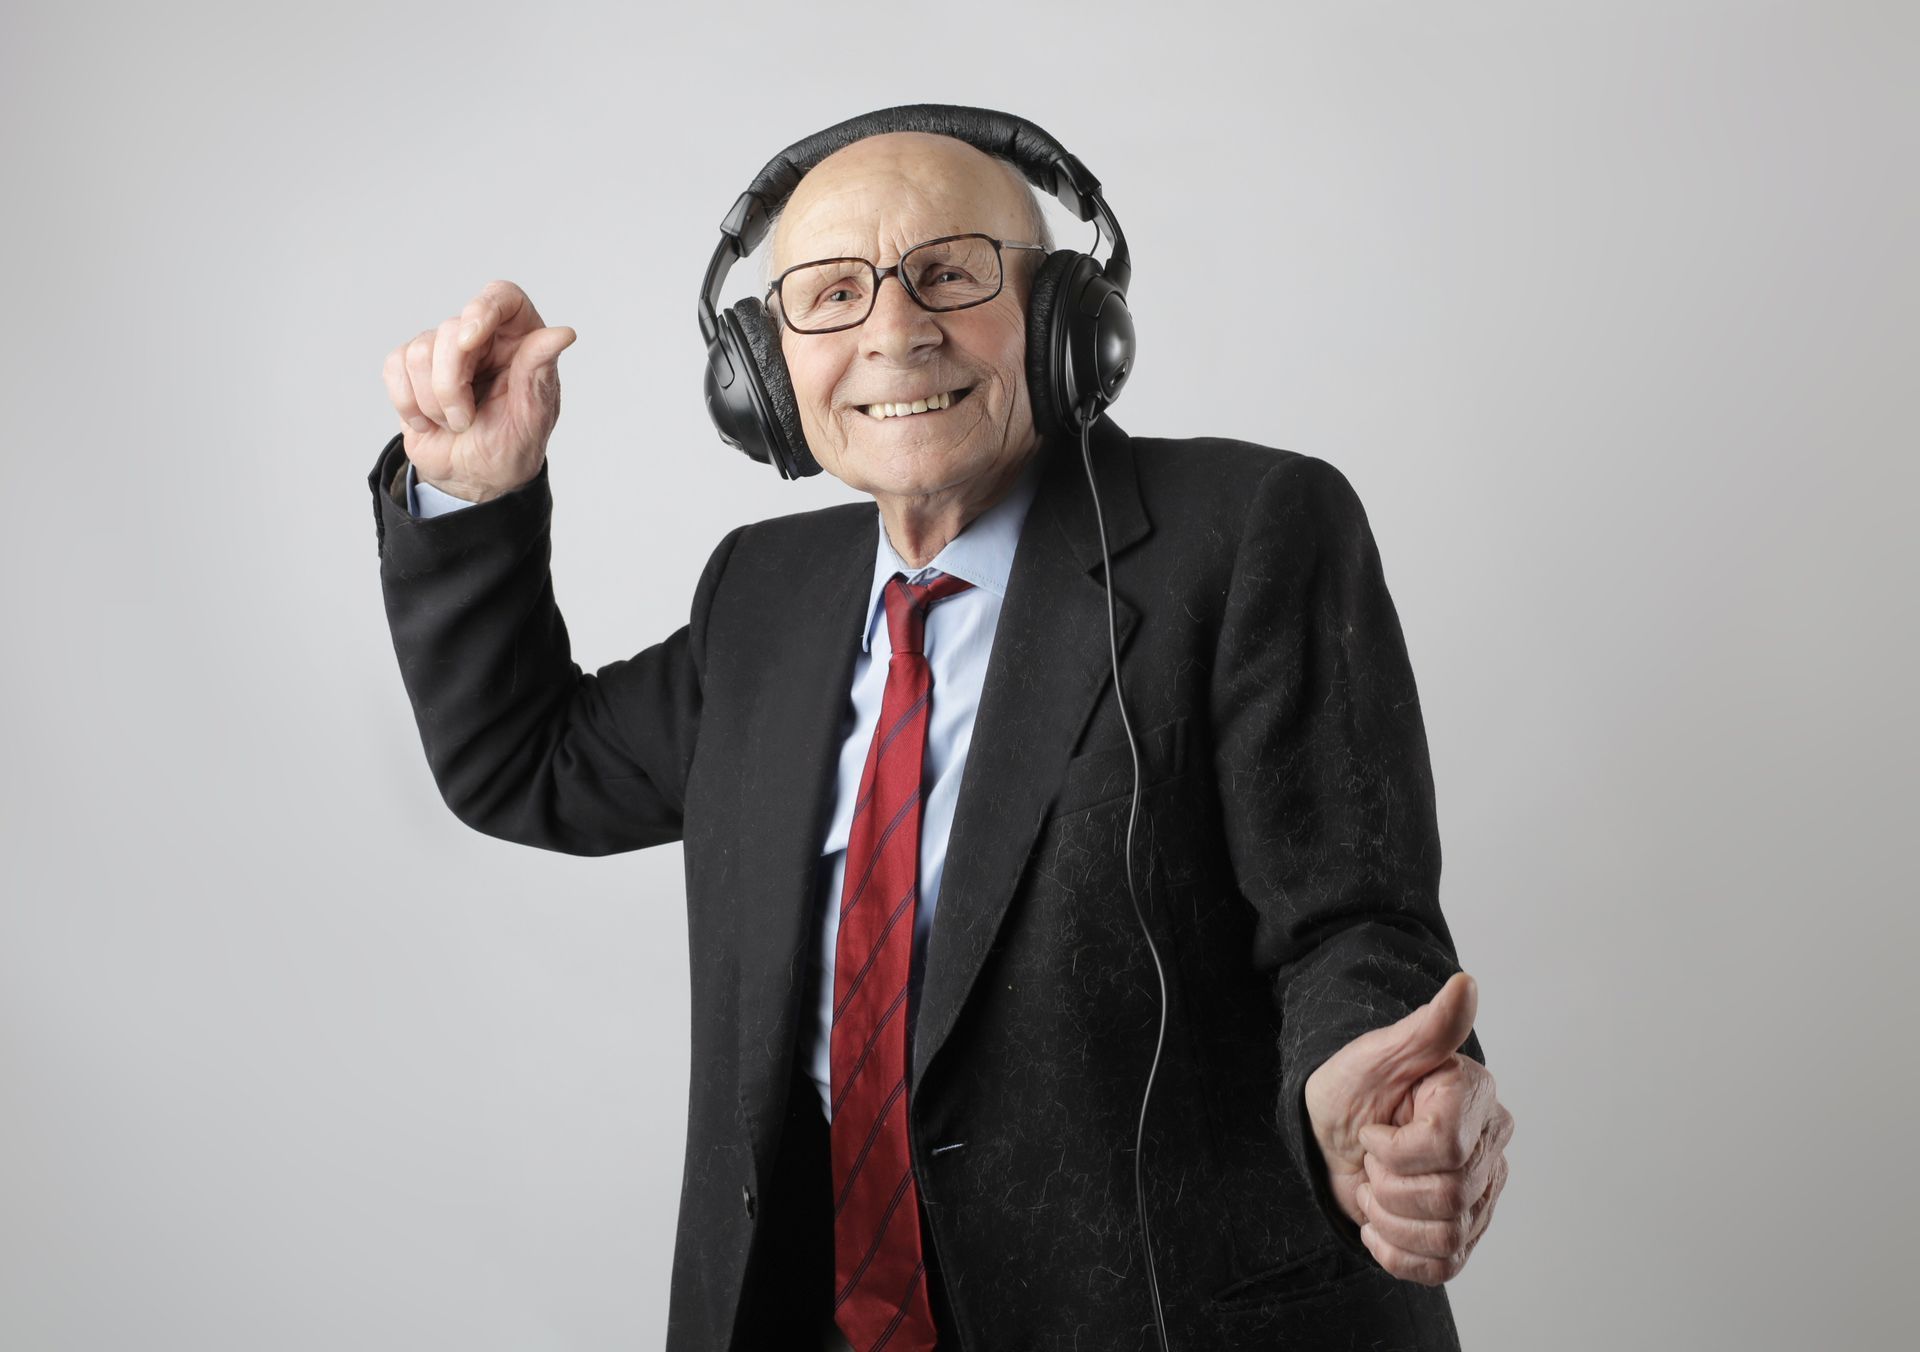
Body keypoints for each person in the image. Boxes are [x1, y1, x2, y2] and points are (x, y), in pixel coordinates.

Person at [369, 109, 1513, 1352]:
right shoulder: (762, 592)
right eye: (831, 292)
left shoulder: (1246, 535)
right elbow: (526, 763)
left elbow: (1349, 916)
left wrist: (1359, 1082)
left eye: (952, 273)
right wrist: (475, 493)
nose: (894, 331)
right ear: (759, 363)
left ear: (1067, 318)